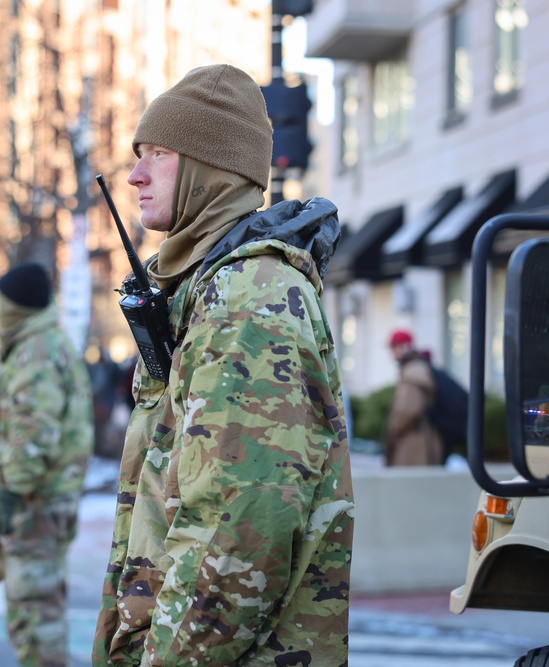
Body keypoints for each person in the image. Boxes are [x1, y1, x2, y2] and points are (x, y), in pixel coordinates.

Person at [92, 64, 354, 667]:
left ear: (212, 168)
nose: (134, 175)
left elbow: (237, 532)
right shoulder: (209, 289)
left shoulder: (248, 297)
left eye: (159, 153)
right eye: (138, 154)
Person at [0, 262, 93, 667]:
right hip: (44, 500)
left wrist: (10, 491)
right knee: (37, 607)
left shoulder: (37, 351)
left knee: (34, 614)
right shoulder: (43, 342)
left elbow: (33, 435)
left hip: (35, 503)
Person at [385, 329, 443, 466]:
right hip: (417, 437)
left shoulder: (413, 371)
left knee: (410, 485)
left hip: (414, 441)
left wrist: (392, 429)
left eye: (394, 347)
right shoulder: (416, 368)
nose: (392, 353)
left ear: (405, 347)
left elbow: (408, 410)